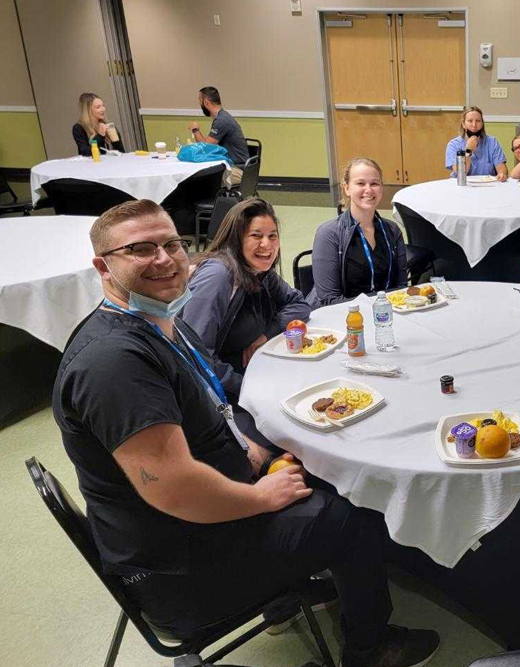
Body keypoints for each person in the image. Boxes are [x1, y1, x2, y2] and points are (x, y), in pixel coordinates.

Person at [53, 199, 440, 667]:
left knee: (315, 457)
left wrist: (257, 454)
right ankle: (370, 649)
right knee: (352, 515)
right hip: (183, 565)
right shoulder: (114, 363)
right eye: (140, 249)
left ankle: (286, 594)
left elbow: (209, 414)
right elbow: (173, 490)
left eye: (172, 243)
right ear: (103, 265)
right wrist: (262, 497)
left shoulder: (155, 322)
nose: (164, 258)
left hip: (197, 519)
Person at [180, 197, 310, 404]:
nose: (267, 244)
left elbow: (299, 304)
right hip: (216, 392)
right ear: (236, 239)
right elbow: (197, 356)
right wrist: (249, 389)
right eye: (256, 236)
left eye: (272, 236)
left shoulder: (256, 270)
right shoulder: (219, 276)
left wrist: (266, 335)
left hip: (253, 369)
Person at [308, 158, 408, 307]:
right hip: (343, 318)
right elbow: (329, 300)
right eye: (360, 183)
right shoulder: (328, 234)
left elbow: (401, 287)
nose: (368, 190)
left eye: (374, 183)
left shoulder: (392, 231)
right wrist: (374, 309)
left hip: (385, 315)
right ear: (346, 188)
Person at [188, 86, 249, 185]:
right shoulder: (222, 117)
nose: (200, 104)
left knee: (197, 177)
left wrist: (195, 130)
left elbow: (205, 148)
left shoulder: (222, 120)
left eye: (200, 101)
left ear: (206, 102)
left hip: (236, 170)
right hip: (235, 166)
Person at [445, 106, 508, 180]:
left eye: (478, 121)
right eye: (470, 121)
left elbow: (501, 167)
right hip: (463, 185)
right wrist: (468, 150)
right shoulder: (454, 144)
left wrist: (502, 174)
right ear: (463, 124)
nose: (474, 125)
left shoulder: (492, 142)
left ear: (482, 124)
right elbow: (461, 173)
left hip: (487, 185)